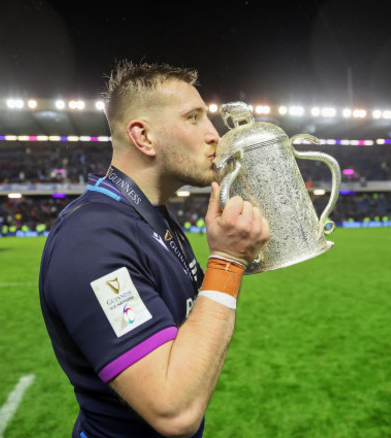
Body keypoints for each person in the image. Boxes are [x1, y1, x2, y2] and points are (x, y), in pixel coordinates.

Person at [39, 60, 270, 438]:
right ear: (143, 136)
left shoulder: (153, 219)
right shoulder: (91, 239)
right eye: (194, 118)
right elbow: (173, 409)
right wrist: (227, 261)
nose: (214, 135)